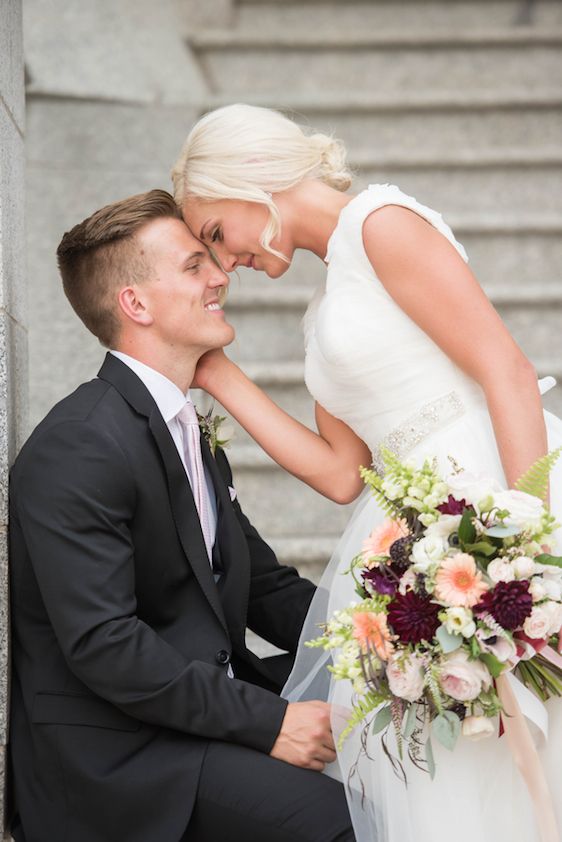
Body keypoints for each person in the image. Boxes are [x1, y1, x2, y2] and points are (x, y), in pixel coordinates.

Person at [171, 103, 562, 842]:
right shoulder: (321, 312)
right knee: (468, 772)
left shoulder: (380, 223)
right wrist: (219, 377)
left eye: (217, 235)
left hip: (503, 504)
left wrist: (530, 548)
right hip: (421, 536)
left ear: (251, 179)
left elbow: (506, 370)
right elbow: (342, 475)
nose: (224, 265)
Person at [8, 189, 357, 842]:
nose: (221, 276)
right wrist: (271, 724)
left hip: (194, 715)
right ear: (135, 304)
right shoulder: (82, 442)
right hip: (124, 759)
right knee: (341, 826)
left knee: (402, 730)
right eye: (195, 265)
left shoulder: (182, 428)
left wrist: (389, 637)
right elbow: (106, 646)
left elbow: (260, 586)